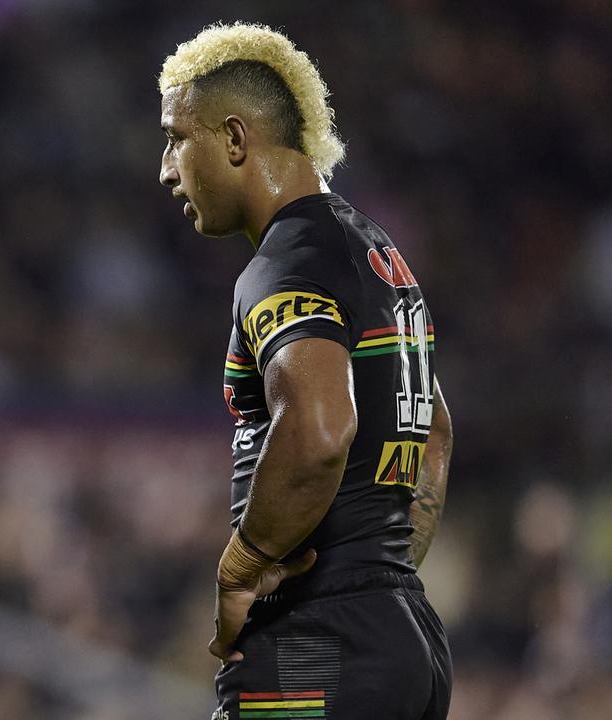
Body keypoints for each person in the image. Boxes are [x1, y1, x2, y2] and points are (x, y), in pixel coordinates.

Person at [157, 23, 454, 720]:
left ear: (234, 139)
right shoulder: (375, 253)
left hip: (315, 645)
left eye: (176, 137)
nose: (166, 169)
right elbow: (432, 435)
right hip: (405, 637)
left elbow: (320, 431)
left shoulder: (287, 263)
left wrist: (240, 570)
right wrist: (377, 576)